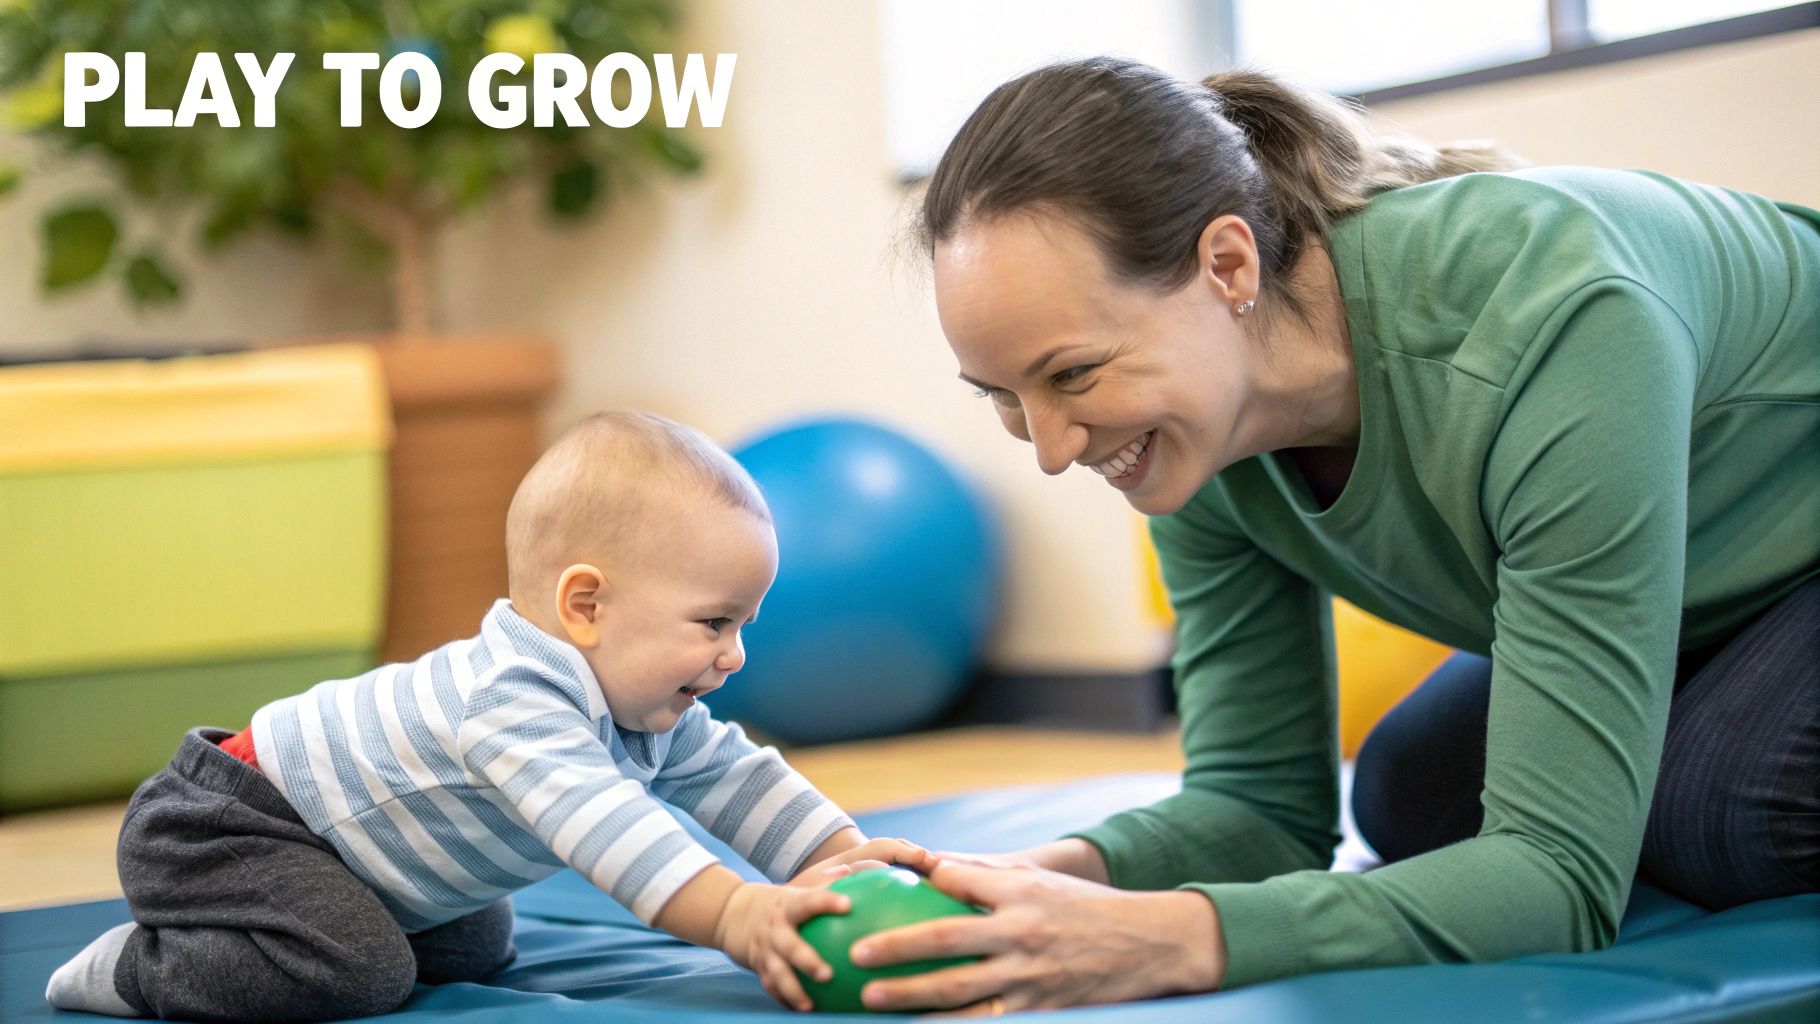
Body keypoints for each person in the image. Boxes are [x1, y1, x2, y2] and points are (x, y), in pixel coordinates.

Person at [842, 57, 1820, 1015]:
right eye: (1006, 399)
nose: (1052, 449)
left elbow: (1555, 875)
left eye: (1073, 374)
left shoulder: (1554, 320)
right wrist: (1027, 877)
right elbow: (1257, 806)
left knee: (1723, 808)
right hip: (1709, 586)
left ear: (1226, 265)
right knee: (1409, 801)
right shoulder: (1191, 438)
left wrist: (1166, 937)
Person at [45, 410, 934, 1020]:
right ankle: (138, 968)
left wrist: (836, 854)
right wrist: (738, 912)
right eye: (714, 624)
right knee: (361, 972)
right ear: (585, 605)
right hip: (232, 826)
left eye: (742, 626)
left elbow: (736, 777)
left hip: (355, 855)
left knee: (477, 942)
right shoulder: (510, 701)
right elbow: (607, 825)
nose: (734, 655)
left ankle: (314, 926)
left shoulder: (642, 703)